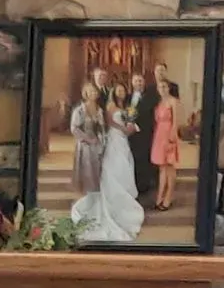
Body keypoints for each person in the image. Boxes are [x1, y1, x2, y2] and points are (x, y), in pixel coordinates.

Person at [68, 90, 146, 247]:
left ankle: (124, 195)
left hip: (121, 141)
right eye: (118, 90)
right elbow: (109, 123)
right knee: (112, 169)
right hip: (113, 138)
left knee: (125, 166)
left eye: (123, 90)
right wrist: (121, 129)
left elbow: (104, 126)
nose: (121, 93)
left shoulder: (124, 107)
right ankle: (107, 201)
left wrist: (130, 126)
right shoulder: (108, 106)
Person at [152, 66, 181, 212]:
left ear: (168, 88)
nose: (162, 89)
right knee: (162, 167)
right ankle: (159, 197)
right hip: (159, 134)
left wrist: (173, 135)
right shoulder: (159, 102)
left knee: (170, 167)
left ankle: (168, 198)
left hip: (169, 133)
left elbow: (176, 121)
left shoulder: (173, 101)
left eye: (164, 86)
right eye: (160, 87)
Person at [128, 68, 160, 200]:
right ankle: (132, 184)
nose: (138, 83)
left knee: (144, 160)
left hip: (146, 133)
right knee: (132, 159)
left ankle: (144, 187)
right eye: (136, 81)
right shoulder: (128, 97)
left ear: (144, 82)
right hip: (130, 134)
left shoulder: (151, 96)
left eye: (140, 81)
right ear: (132, 82)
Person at [68, 82, 104, 196]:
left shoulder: (99, 110)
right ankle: (84, 196)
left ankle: (94, 196)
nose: (93, 93)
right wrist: (88, 139)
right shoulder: (79, 110)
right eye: (91, 91)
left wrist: (101, 139)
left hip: (97, 144)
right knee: (86, 171)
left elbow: (102, 127)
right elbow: (74, 128)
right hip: (84, 145)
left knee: (97, 171)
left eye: (95, 91)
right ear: (86, 93)